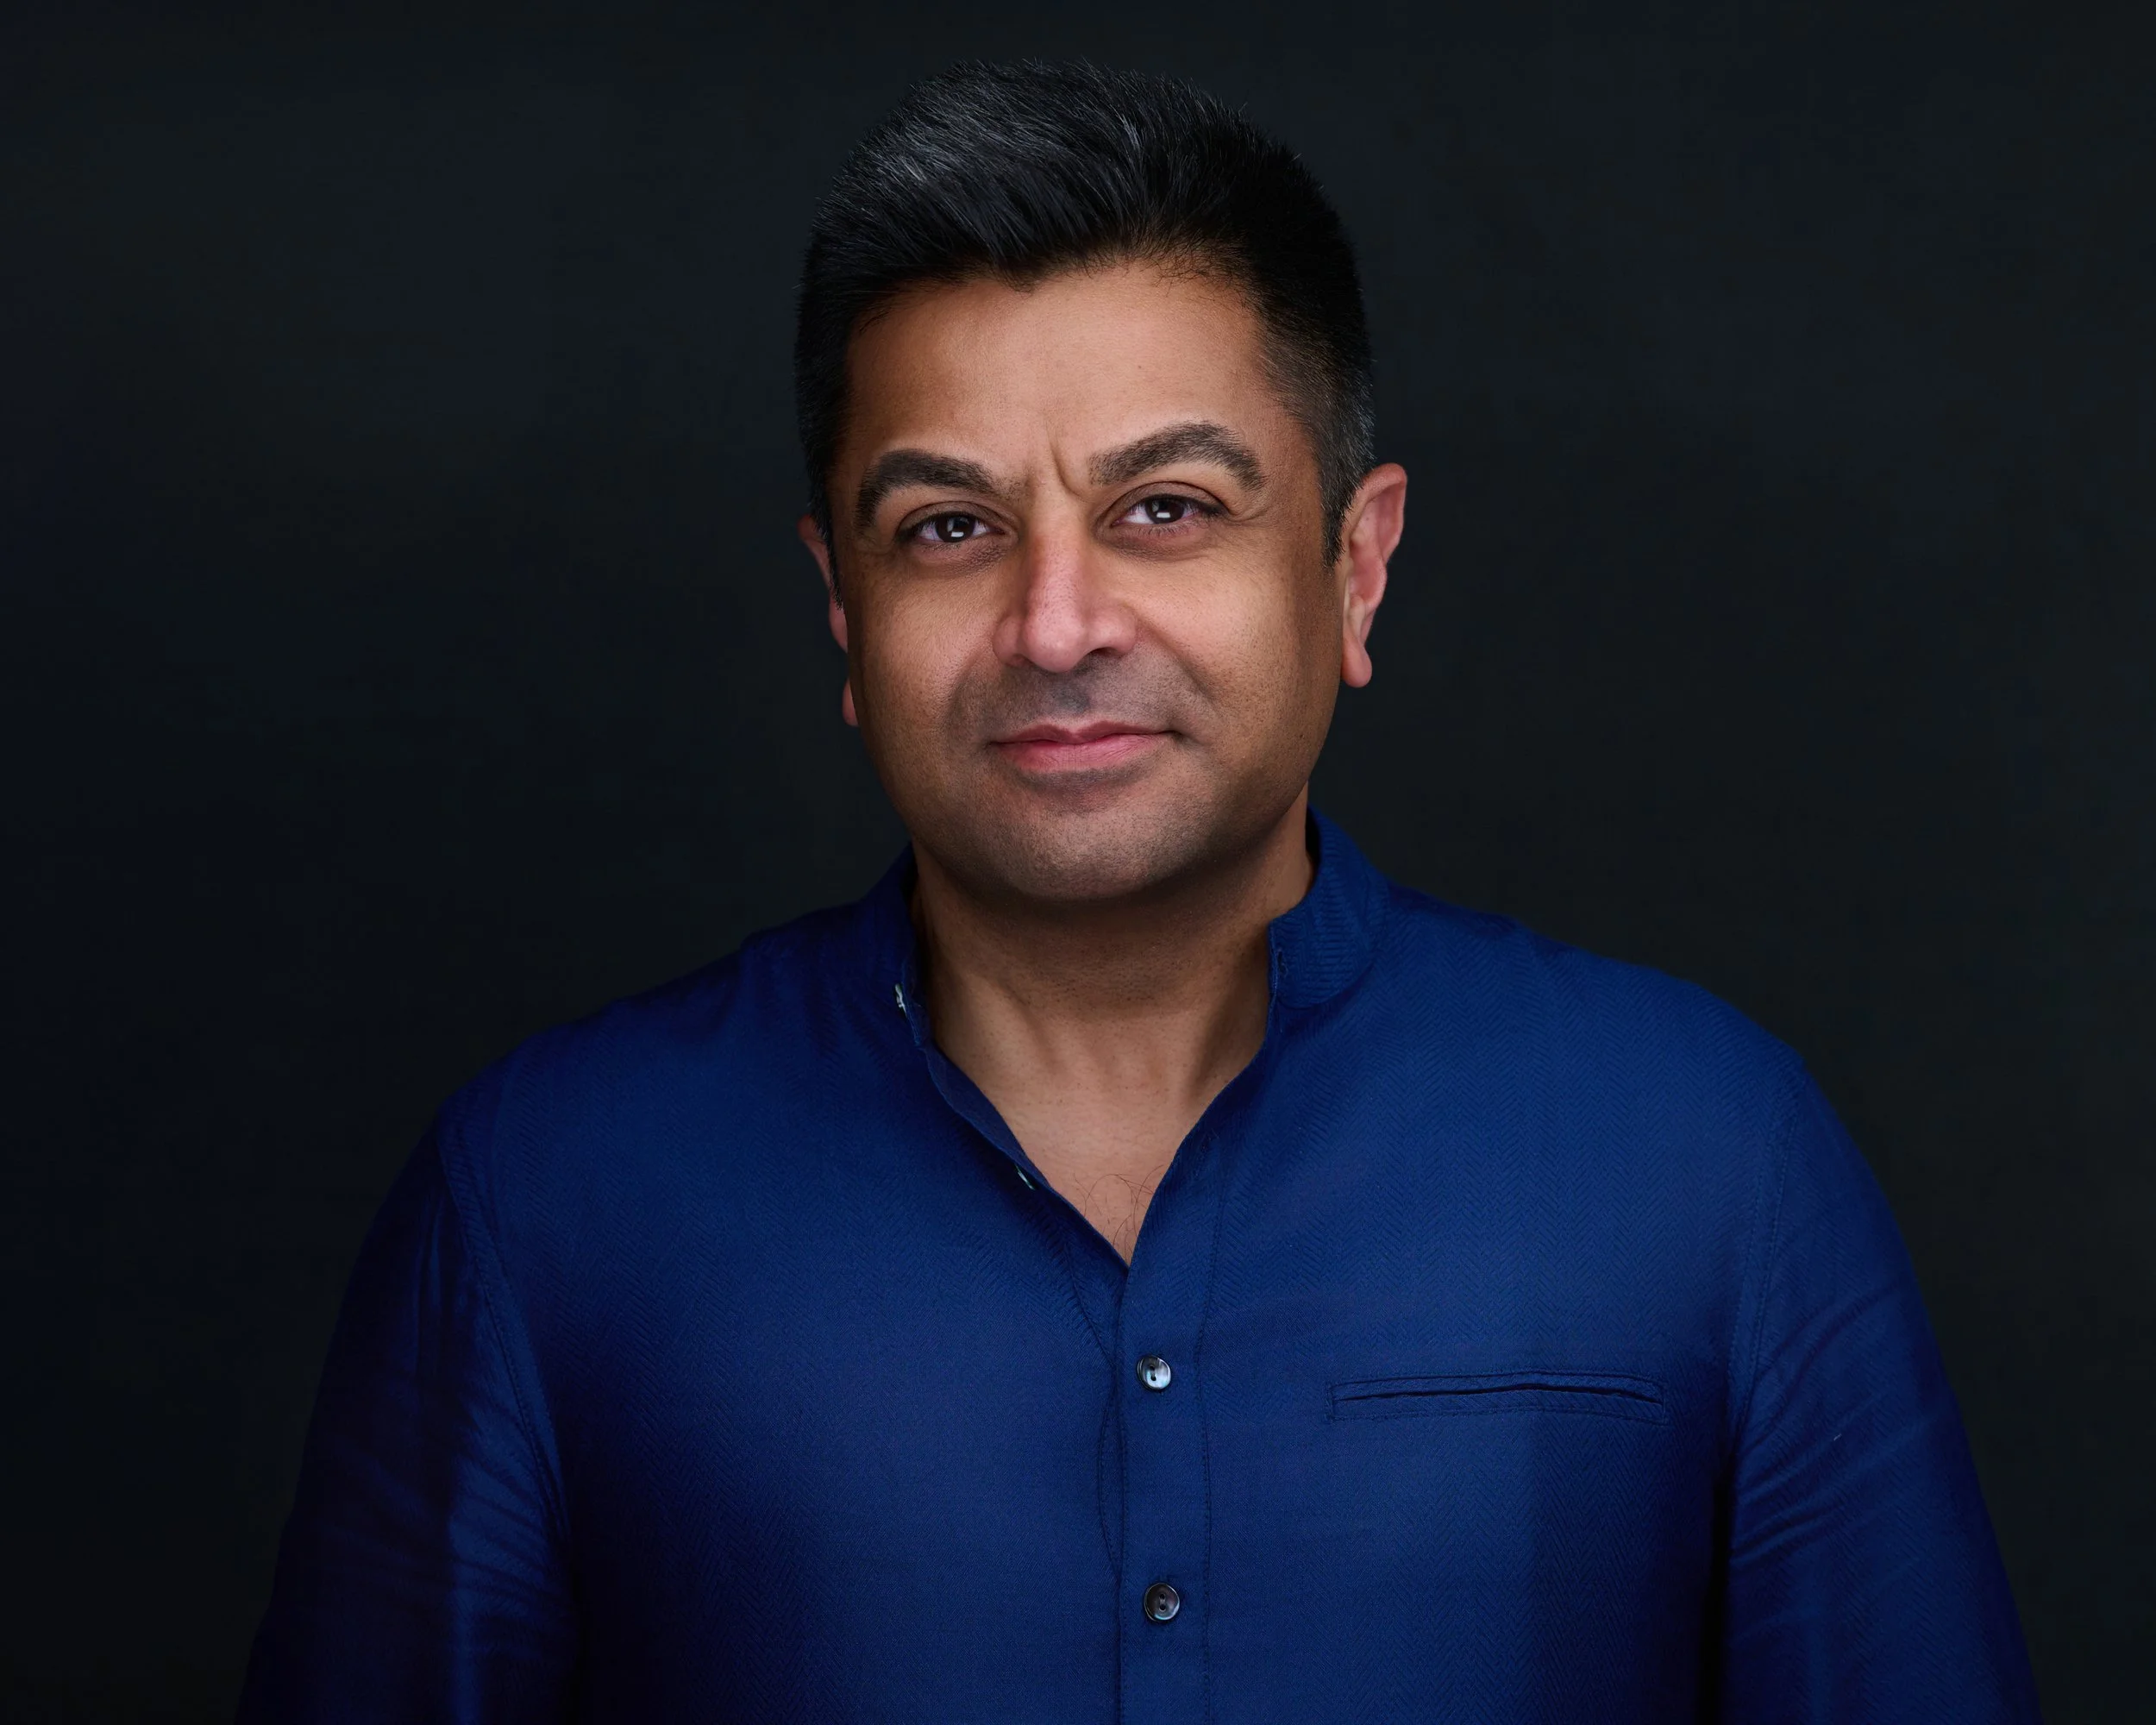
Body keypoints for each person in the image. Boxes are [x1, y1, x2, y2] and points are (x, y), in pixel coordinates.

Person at [241, 61, 2039, 1722]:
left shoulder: (1707, 1161)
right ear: (842, 608)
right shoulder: (549, 1201)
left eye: (1165, 508)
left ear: (1354, 567)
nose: (1054, 623)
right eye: (948, 527)